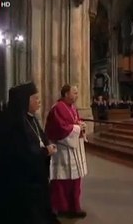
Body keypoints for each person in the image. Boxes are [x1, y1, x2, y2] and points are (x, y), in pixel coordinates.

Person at [0, 82, 60, 224]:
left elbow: (39, 138)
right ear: (24, 101)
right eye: (35, 98)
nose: (39, 101)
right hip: (19, 182)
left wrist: (48, 145)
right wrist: (45, 151)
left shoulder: (30, 118)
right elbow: (20, 153)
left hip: (33, 178)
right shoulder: (12, 123)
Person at [45, 84, 88, 219]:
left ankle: (75, 206)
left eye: (76, 93)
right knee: (63, 180)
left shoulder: (72, 108)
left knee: (75, 180)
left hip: (73, 149)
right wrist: (77, 128)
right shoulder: (58, 108)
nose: (76, 95)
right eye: (74, 93)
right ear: (65, 94)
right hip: (63, 150)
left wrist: (81, 125)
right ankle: (62, 208)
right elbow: (60, 128)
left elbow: (74, 122)